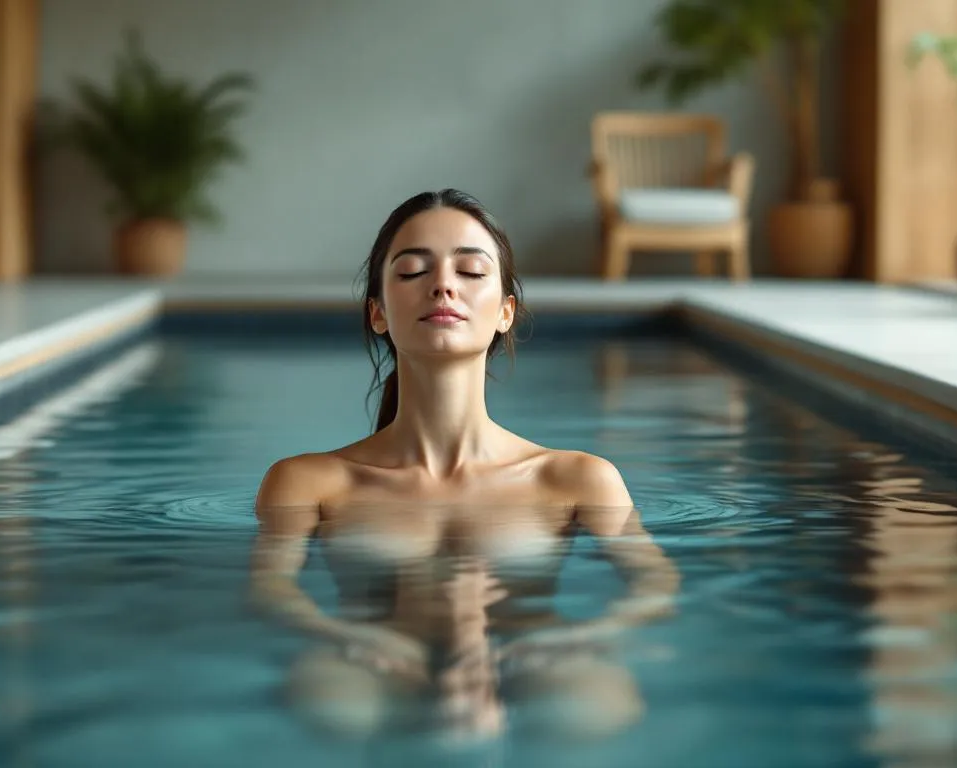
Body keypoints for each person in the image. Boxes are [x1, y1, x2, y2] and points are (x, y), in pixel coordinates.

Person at [250, 188, 680, 744]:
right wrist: (342, 637)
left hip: (531, 657)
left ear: (506, 311)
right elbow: (272, 588)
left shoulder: (575, 479)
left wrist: (579, 638)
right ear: (377, 313)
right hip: (373, 656)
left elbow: (653, 581)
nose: (443, 285)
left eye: (471, 270)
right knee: (328, 703)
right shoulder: (308, 482)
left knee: (594, 707)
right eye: (411, 272)